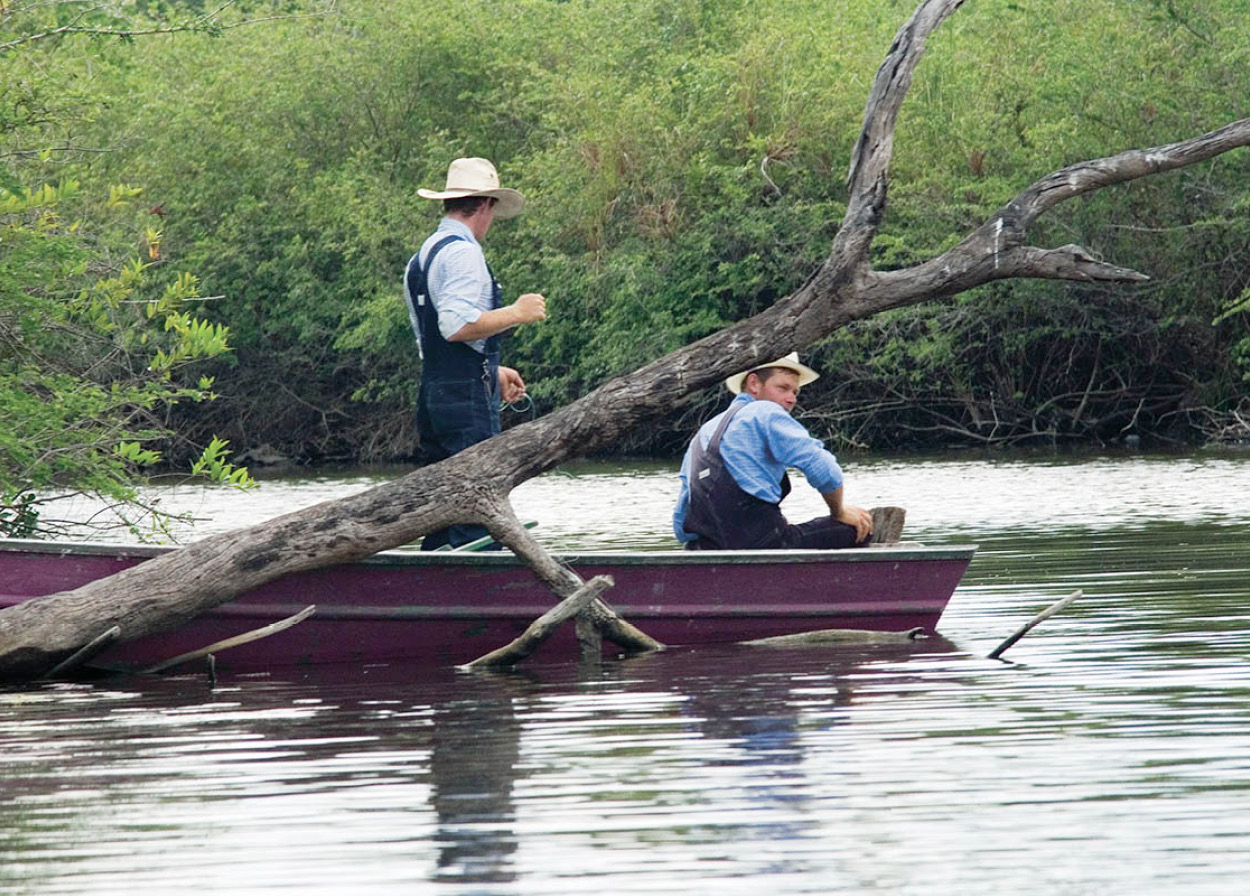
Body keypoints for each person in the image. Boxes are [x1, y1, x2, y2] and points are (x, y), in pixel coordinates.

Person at [404, 157, 547, 550]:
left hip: (435, 395)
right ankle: (476, 596)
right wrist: (517, 313)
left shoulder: (424, 253)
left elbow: (432, 339)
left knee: (440, 510)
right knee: (477, 511)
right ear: (484, 205)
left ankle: (432, 589)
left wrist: (492, 368)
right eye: (493, 210)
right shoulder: (464, 253)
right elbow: (454, 326)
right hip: (464, 400)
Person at [672, 353, 872, 550]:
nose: (791, 399)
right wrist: (839, 512)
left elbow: (681, 521)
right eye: (783, 388)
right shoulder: (765, 411)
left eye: (795, 392)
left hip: (702, 549)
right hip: (762, 545)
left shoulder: (704, 432)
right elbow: (826, 471)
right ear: (754, 384)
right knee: (860, 526)